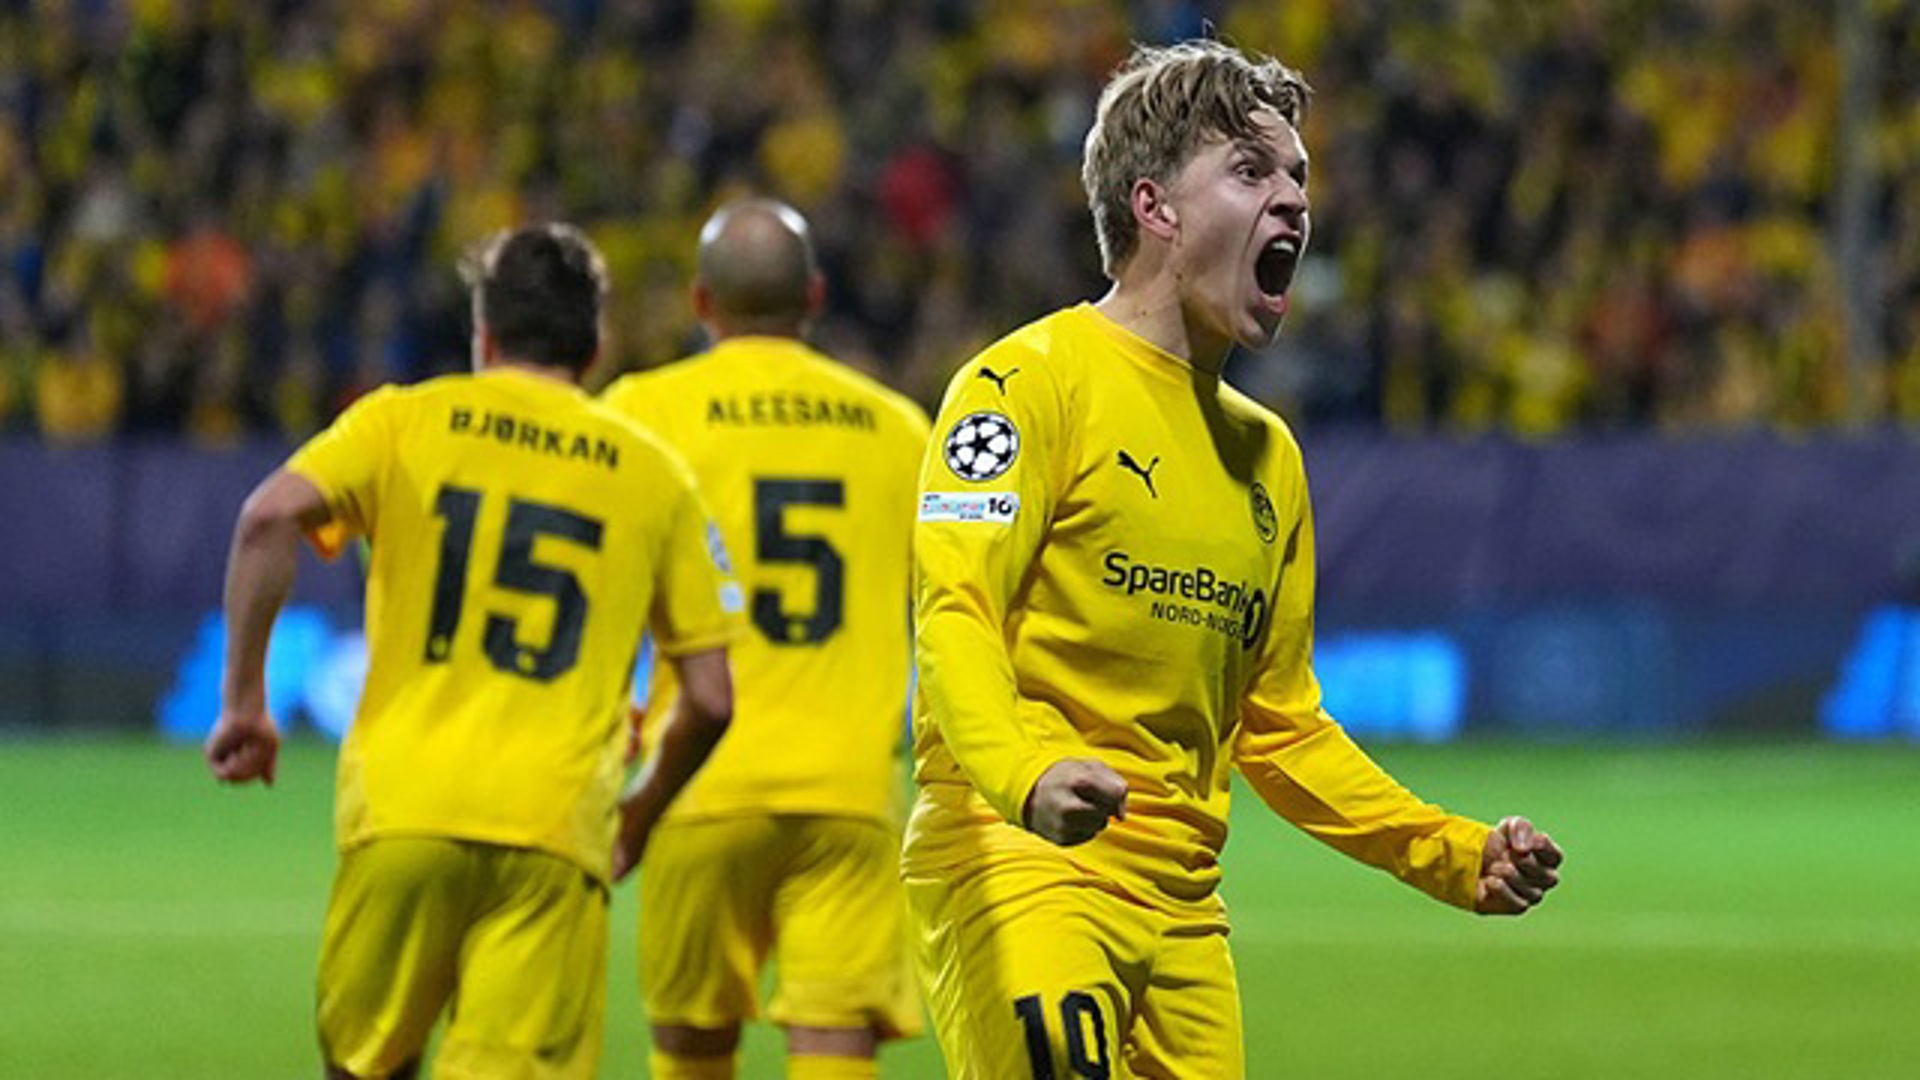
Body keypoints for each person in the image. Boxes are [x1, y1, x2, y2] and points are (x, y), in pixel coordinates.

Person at [904, 39, 1565, 1078]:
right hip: (1022, 862)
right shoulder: (1023, 386)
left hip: (1183, 912)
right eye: (1252, 171)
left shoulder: (1269, 455)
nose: (1294, 199)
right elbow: (953, 612)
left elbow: (1281, 725)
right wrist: (1026, 775)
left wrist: (1450, 852)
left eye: (1298, 176)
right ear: (1155, 207)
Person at [205, 224, 740, 1080]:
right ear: (594, 348)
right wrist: (640, 812)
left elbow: (267, 518)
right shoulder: (655, 476)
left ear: (484, 336)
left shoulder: (402, 420)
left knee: (365, 1066)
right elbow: (711, 697)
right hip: (553, 827)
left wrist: (244, 704)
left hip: (403, 811)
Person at [601, 198, 930, 1080]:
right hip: (850, 791)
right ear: (814, 296)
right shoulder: (897, 428)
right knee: (835, 1037)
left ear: (701, 302)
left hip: (698, 783)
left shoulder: (640, 412)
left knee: (693, 1042)